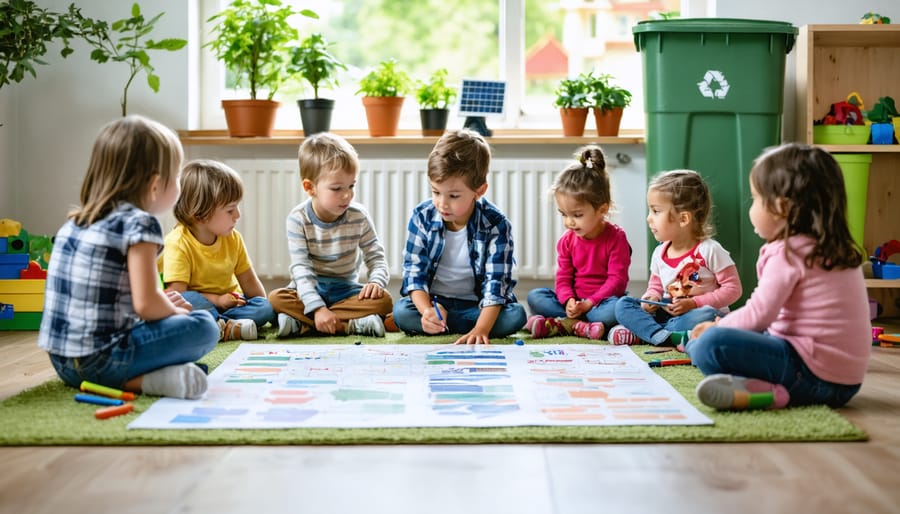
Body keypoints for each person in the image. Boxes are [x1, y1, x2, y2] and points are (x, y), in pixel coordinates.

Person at [38, 115, 219, 400]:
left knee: (171, 313)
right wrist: (175, 313)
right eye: (177, 176)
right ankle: (143, 380)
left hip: (63, 364)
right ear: (156, 185)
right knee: (204, 326)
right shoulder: (140, 224)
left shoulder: (75, 223)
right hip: (102, 361)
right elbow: (147, 305)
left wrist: (159, 306)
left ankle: (143, 378)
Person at [687, 143, 871, 411]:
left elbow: (759, 315)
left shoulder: (789, 252)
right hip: (846, 384)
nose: (751, 208)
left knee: (710, 345)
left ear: (782, 208)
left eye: (755, 199)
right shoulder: (831, 247)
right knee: (723, 326)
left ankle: (771, 392)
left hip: (810, 376)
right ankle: (760, 387)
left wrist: (716, 330)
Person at [393, 129, 526, 344]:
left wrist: (481, 328)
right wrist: (428, 311)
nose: (442, 203)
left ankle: (456, 325)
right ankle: (438, 322)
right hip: (436, 302)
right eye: (436, 192)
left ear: (479, 190)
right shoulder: (422, 216)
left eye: (453, 196)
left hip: (477, 305)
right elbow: (414, 273)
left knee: (515, 316)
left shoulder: (496, 224)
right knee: (402, 312)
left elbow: (496, 283)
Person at [267, 132, 393, 338]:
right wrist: (317, 308)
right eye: (336, 188)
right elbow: (301, 269)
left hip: (345, 290)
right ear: (310, 187)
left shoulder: (358, 216)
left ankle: (304, 325)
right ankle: (348, 325)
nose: (347, 195)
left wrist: (376, 282)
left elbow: (376, 257)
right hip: (308, 288)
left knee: (384, 300)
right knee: (275, 299)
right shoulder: (298, 219)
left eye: (351, 186)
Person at [610, 169, 742, 346]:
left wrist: (694, 303)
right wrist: (652, 298)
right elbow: (655, 286)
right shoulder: (659, 252)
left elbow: (733, 289)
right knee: (623, 305)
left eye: (656, 211)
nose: (649, 219)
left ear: (683, 218)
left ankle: (648, 333)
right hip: (668, 311)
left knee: (709, 314)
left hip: (696, 314)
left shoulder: (710, 250)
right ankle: (666, 336)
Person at [160, 160, 275, 341]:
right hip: (201, 303)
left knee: (264, 308)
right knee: (190, 301)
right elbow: (178, 295)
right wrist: (217, 300)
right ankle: (224, 326)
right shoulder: (178, 243)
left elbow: (249, 280)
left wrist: (268, 309)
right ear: (200, 214)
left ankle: (222, 326)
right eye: (230, 210)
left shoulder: (233, 238)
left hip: (232, 303)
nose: (237, 215)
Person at [525, 145, 631, 340]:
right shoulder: (567, 241)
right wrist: (569, 301)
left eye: (577, 215)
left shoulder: (616, 238)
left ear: (602, 209)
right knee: (535, 297)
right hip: (574, 303)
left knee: (618, 307)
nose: (569, 222)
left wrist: (590, 303)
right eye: (563, 214)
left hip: (601, 304)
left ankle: (565, 324)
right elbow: (563, 278)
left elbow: (617, 281)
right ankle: (579, 324)